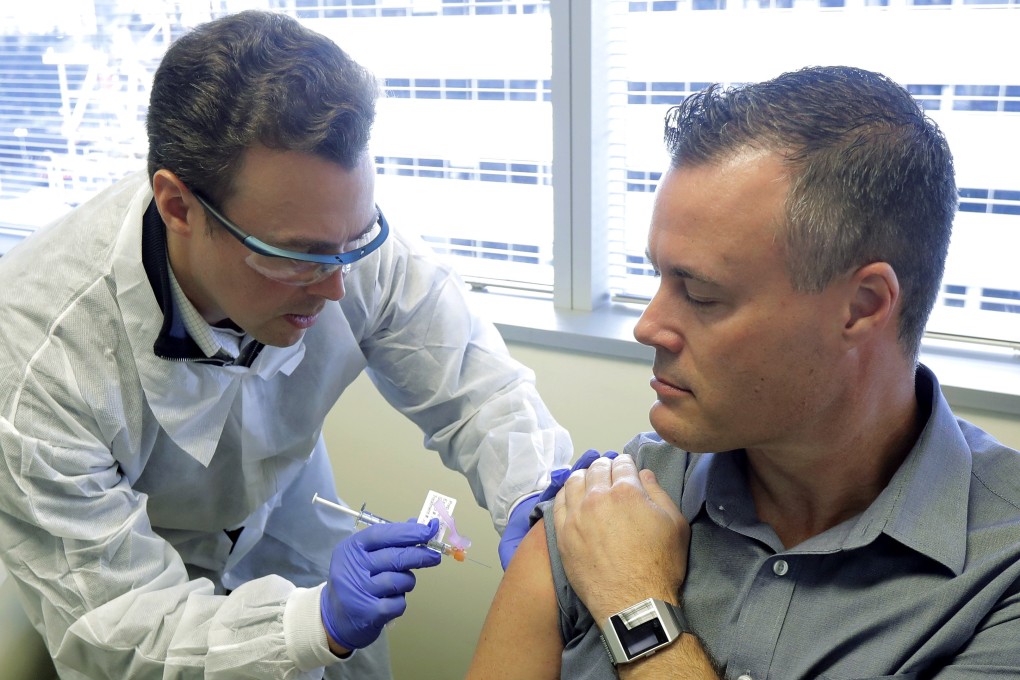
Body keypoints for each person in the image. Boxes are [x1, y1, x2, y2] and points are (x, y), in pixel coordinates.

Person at [0, 10, 578, 679]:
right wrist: (315, 623)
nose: (336, 289)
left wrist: (538, 496)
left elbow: (480, 394)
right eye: (296, 257)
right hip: (139, 563)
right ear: (179, 208)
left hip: (291, 509)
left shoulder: (338, 239)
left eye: (352, 242)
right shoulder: (35, 364)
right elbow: (119, 626)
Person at [466, 65, 1020, 679]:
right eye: (657, 275)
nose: (648, 326)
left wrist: (635, 605)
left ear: (862, 307)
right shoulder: (609, 506)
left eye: (701, 295)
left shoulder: (1000, 571)